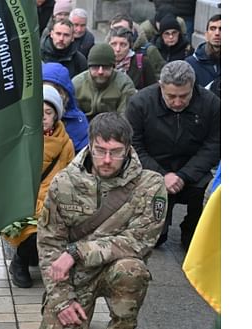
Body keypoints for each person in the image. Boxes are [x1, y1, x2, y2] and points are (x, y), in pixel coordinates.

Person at [36, 112, 167, 329]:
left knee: (133, 270)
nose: (107, 160)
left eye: (116, 152)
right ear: (90, 144)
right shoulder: (65, 182)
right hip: (76, 276)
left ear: (128, 149)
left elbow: (139, 241)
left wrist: (77, 251)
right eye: (100, 151)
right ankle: (75, 309)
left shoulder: (150, 185)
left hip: (115, 269)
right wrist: (61, 299)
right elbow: (50, 243)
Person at [125, 60, 220, 248]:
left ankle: (193, 230)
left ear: (193, 87)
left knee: (209, 194)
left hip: (193, 171)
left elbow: (215, 145)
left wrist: (184, 175)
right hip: (153, 170)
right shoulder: (140, 103)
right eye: (171, 96)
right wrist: (162, 175)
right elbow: (133, 145)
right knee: (156, 239)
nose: (177, 102)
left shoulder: (211, 105)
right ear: (161, 87)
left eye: (184, 96)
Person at [4, 85, 75, 288]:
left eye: (48, 112)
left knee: (53, 223)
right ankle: (20, 261)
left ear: (56, 116)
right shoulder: (19, 139)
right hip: (24, 199)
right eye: (38, 111)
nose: (43, 116)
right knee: (34, 228)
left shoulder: (65, 144)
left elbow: (69, 176)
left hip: (53, 199)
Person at [72, 43, 137, 121]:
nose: (100, 72)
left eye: (105, 67)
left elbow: (125, 117)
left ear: (113, 67)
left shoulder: (124, 84)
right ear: (89, 67)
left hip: (113, 125)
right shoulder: (77, 84)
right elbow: (72, 114)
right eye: (96, 67)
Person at [43, 62, 89, 152]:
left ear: (64, 95)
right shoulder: (26, 118)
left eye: (55, 91)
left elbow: (83, 155)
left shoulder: (77, 122)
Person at [186, 14, 220, 88]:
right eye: (213, 29)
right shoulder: (191, 64)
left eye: (221, 29)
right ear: (206, 35)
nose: (217, 33)